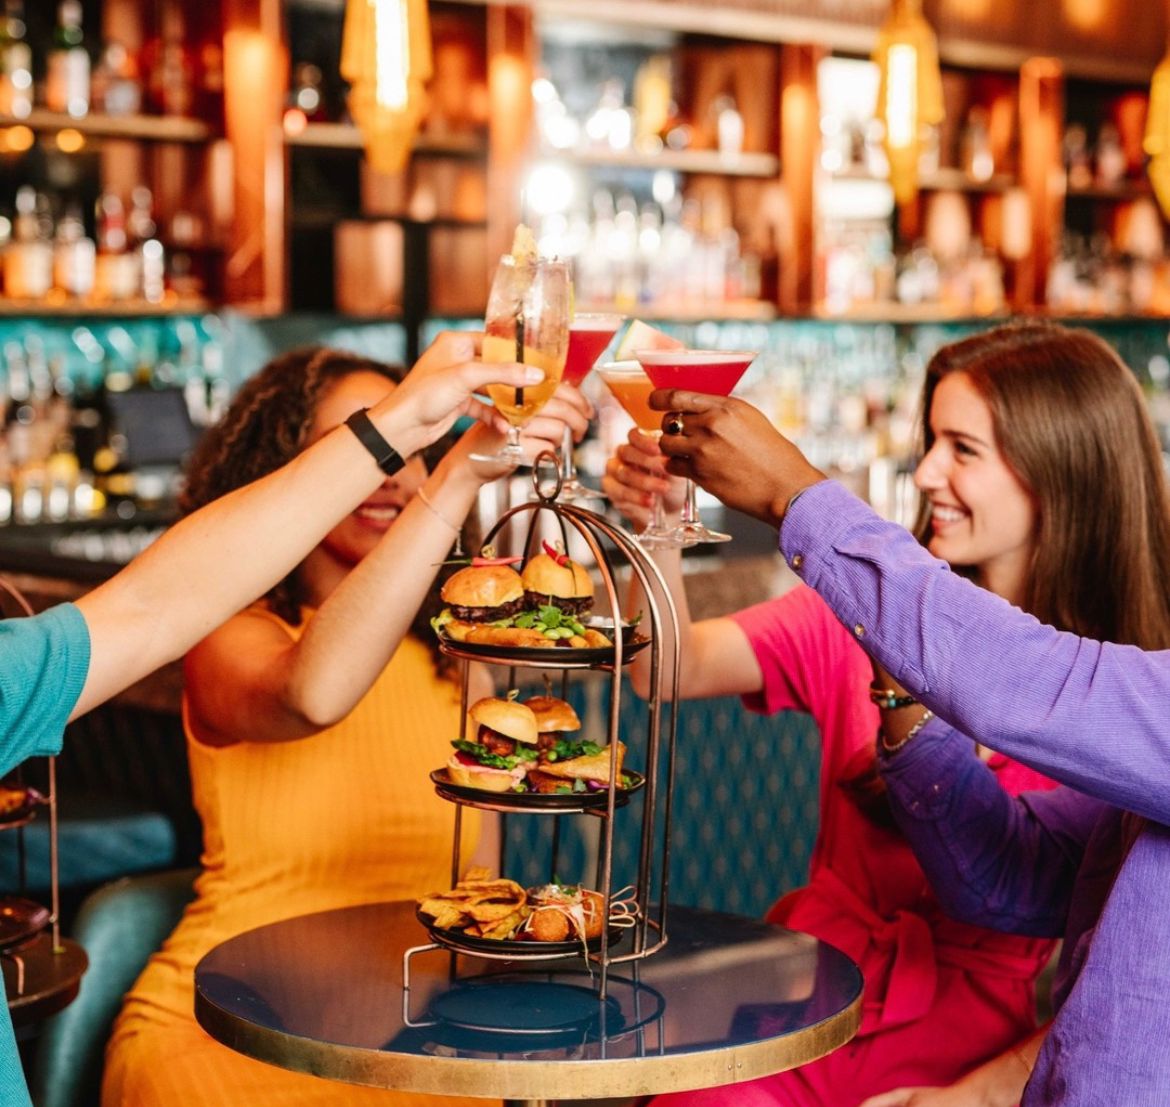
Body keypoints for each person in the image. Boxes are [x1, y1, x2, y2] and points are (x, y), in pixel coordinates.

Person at [604, 322, 1170, 1105]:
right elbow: (664, 667)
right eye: (930, 438)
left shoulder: (1110, 689)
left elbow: (1004, 683)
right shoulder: (857, 613)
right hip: (817, 996)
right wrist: (658, 525)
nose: (927, 471)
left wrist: (799, 495)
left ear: (1062, 472)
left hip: (971, 1048)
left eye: (964, 449)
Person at [0, 332, 544, 1107]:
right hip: (229, 1026)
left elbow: (478, 889)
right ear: (294, 478)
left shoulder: (455, 660)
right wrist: (454, 477)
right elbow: (310, 691)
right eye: (369, 448)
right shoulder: (232, 633)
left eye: (414, 446)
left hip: (416, 1043)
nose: (393, 475)